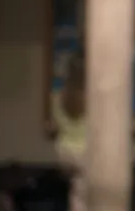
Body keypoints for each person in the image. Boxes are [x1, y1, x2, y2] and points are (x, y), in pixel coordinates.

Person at [52, 55, 87, 211]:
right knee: (85, 192)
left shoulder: (57, 96)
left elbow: (56, 124)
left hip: (64, 152)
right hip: (86, 152)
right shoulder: (92, 98)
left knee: (76, 191)